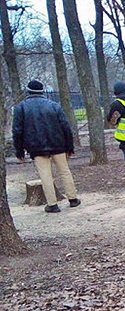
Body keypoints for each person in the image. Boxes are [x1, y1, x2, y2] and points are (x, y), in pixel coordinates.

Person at [12, 80, 80, 213]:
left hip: (36, 147)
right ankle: (73, 199)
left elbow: (17, 130)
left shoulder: (21, 107)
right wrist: (69, 147)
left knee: (45, 175)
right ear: (42, 91)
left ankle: (52, 204)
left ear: (28, 91)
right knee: (65, 171)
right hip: (58, 145)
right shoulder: (54, 105)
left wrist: (19, 151)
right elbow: (66, 127)